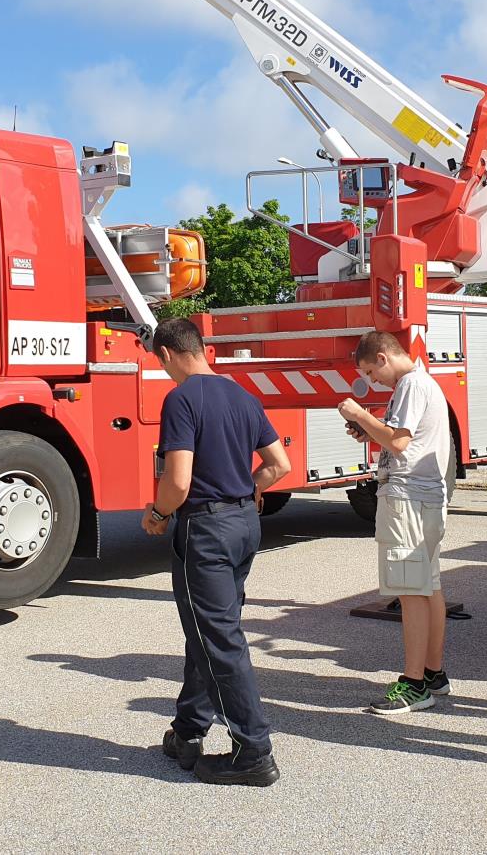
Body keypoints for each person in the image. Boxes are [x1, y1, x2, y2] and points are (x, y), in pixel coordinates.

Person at [141, 318, 291, 786]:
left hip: (204, 530)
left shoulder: (181, 399)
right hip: (244, 524)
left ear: (166, 354)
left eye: (159, 363)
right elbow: (279, 465)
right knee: (207, 630)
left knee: (217, 639)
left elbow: (179, 481)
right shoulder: (242, 395)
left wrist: (158, 513)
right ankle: (188, 730)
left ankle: (253, 750)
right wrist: (244, 490)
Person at [337, 331, 453, 715]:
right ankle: (432, 673)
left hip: (407, 499)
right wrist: (370, 428)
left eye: (371, 371)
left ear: (384, 358)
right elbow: (401, 439)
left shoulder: (410, 385)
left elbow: (399, 443)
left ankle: (414, 682)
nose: (373, 381)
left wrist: (360, 415)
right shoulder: (423, 383)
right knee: (427, 586)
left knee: (410, 592)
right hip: (426, 499)